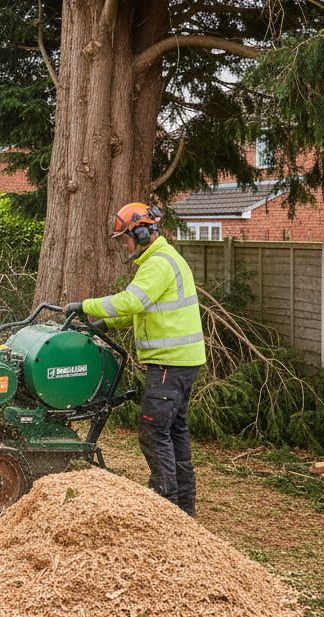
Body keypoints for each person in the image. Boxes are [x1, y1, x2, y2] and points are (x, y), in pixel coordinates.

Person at [65, 203, 206, 517]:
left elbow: (132, 300)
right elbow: (143, 309)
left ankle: (165, 511)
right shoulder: (166, 259)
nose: (124, 245)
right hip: (182, 361)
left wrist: (85, 305)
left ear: (142, 233)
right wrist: (106, 324)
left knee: (153, 432)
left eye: (125, 238)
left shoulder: (158, 263)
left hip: (171, 362)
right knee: (174, 431)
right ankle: (185, 512)